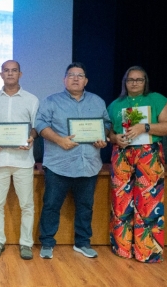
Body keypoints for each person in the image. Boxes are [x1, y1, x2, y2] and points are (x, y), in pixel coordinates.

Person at [35, 62, 110, 260]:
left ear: (86, 80)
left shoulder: (97, 101)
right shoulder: (51, 101)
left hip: (88, 164)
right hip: (59, 164)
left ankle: (83, 242)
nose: (75, 78)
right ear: (64, 79)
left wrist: (104, 137)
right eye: (71, 75)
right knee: (51, 205)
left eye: (80, 75)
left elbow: (107, 124)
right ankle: (47, 242)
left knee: (85, 206)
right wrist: (59, 140)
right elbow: (41, 124)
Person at [107, 66, 167, 263]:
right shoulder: (115, 105)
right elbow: (108, 132)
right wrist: (114, 138)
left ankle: (147, 252)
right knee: (121, 201)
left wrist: (145, 126)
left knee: (148, 201)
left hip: (149, 154)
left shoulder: (157, 100)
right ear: (125, 82)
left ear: (145, 82)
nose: (135, 83)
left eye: (139, 80)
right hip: (121, 153)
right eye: (131, 80)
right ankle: (122, 249)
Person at [0, 60, 39, 260]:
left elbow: (35, 126)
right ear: (0, 74)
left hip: (23, 161)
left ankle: (26, 243)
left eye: (14, 70)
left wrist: (31, 137)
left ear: (20, 74)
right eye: (6, 71)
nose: (10, 74)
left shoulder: (31, 99)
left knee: (27, 205)